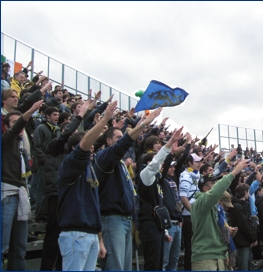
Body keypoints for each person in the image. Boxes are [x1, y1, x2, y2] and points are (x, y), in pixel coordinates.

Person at [94, 107, 163, 271]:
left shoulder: (121, 165)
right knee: (114, 266)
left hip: (125, 219)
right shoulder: (104, 157)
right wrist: (143, 125)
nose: (122, 140)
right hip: (112, 219)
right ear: (109, 141)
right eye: (118, 137)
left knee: (125, 267)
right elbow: (122, 145)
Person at [56, 100, 116, 271]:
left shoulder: (91, 170)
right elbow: (83, 147)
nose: (91, 149)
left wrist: (100, 241)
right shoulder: (69, 166)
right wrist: (104, 121)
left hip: (90, 236)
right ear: (75, 147)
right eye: (88, 145)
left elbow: (94, 209)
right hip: (75, 235)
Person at [2, 100, 43, 270]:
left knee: (19, 248)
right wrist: (29, 112)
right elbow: (14, 130)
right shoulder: (4, 142)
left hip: (21, 197)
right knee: (2, 246)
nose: (19, 126)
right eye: (14, 122)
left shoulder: (21, 147)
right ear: (6, 127)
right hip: (7, 197)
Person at [137, 127, 183, 270]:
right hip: (148, 225)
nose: (162, 166)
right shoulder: (146, 176)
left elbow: (159, 207)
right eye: (159, 163)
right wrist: (168, 144)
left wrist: (165, 231)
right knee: (152, 263)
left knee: (157, 263)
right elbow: (156, 163)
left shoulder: (156, 180)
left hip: (157, 226)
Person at [191, 159, 249, 270]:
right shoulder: (200, 202)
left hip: (219, 257)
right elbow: (215, 192)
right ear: (205, 188)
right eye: (213, 183)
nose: (216, 184)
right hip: (205, 259)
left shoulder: (217, 209)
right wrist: (234, 173)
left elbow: (217, 235)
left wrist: (225, 255)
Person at [179, 153, 204, 270]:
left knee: (195, 247)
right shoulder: (186, 177)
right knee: (190, 248)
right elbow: (183, 197)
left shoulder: (194, 175)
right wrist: (194, 214)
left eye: (200, 161)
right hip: (189, 217)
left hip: (193, 216)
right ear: (189, 163)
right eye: (197, 161)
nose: (200, 163)